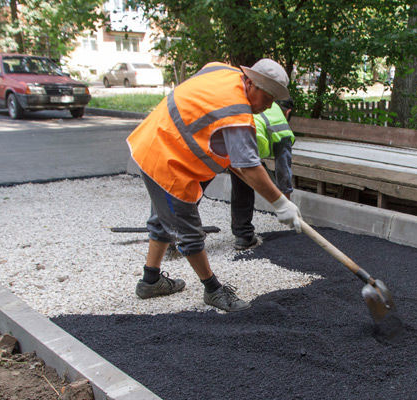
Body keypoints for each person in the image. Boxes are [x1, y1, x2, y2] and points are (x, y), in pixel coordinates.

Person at [126, 58, 302, 312]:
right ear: (250, 83)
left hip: (157, 138)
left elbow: (203, 79)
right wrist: (281, 203)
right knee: (188, 229)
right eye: (267, 97)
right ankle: (213, 290)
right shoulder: (237, 113)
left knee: (163, 217)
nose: (268, 106)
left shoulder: (222, 71)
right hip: (167, 156)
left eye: (274, 100)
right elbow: (250, 167)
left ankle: (150, 281)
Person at [230, 99, 295, 250]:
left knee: (202, 177)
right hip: (247, 140)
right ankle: (243, 235)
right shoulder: (282, 125)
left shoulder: (263, 106)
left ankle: (177, 228)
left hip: (230, 133)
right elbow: (283, 169)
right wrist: (286, 205)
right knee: (244, 184)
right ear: (288, 112)